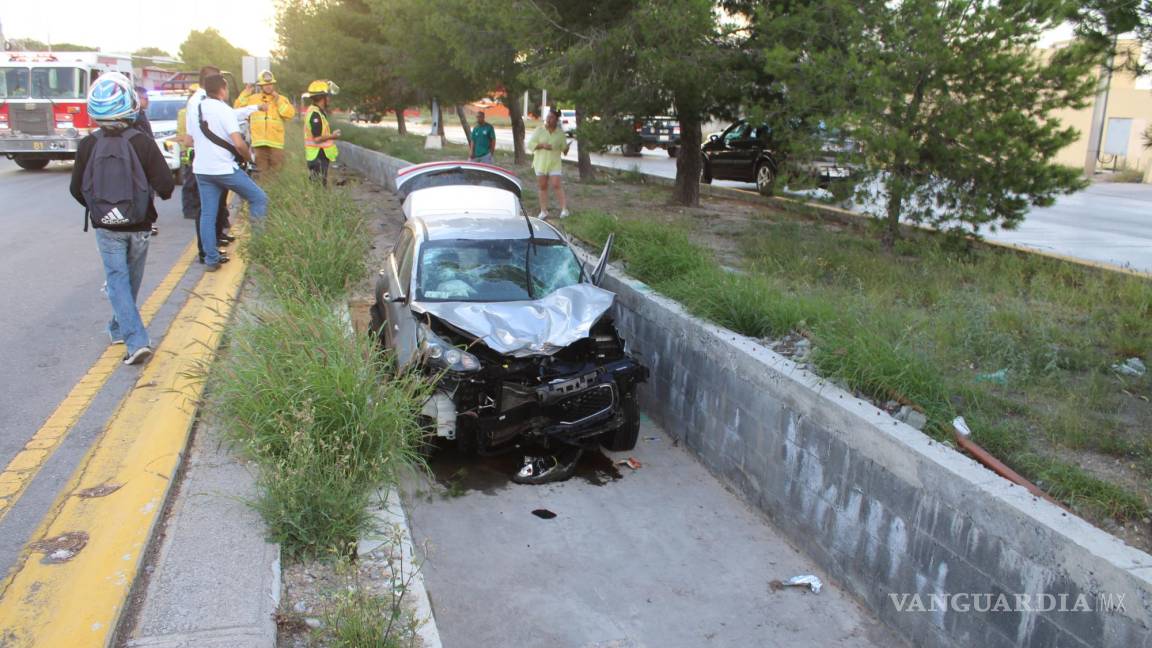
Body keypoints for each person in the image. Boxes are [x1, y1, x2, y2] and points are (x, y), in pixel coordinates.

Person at [70, 73, 175, 366]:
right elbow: (166, 185)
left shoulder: (88, 145)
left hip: (106, 227)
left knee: (118, 282)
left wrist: (100, 209)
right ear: (130, 104)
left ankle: (119, 328)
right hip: (139, 226)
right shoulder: (142, 142)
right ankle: (136, 340)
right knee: (129, 281)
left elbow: (76, 189)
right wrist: (147, 199)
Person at [191, 73, 268, 271]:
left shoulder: (197, 108)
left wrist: (255, 108)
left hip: (202, 169)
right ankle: (260, 251)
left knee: (208, 213)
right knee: (259, 198)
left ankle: (211, 259)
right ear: (223, 90)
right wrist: (249, 158)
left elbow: (190, 138)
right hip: (224, 168)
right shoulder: (224, 110)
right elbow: (238, 143)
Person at [233, 69, 295, 176]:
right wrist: (246, 93)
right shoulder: (252, 99)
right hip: (259, 143)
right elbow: (237, 109)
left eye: (270, 84)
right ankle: (264, 192)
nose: (268, 86)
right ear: (260, 86)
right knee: (262, 175)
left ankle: (276, 193)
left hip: (276, 143)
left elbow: (289, 114)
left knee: (277, 175)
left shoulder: (281, 99)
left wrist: (278, 100)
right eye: (265, 84)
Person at [527, 109, 570, 219]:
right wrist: (542, 145)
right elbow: (530, 144)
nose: (548, 119)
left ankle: (564, 210)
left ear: (556, 120)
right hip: (540, 162)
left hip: (554, 163)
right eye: (548, 117)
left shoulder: (560, 133)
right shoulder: (539, 130)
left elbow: (564, 150)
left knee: (556, 184)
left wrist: (567, 148)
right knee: (542, 186)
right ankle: (543, 211)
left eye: (551, 118)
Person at [304, 80, 341, 185]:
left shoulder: (318, 112)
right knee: (319, 186)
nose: (329, 99)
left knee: (319, 184)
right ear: (322, 98)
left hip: (319, 155)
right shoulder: (315, 114)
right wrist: (333, 136)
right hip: (317, 156)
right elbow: (317, 139)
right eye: (327, 96)